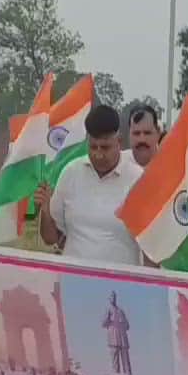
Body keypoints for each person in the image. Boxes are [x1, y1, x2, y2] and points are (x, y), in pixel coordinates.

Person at [36, 104, 143, 265]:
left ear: (119, 142)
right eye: (93, 147)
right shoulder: (71, 173)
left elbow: (152, 246)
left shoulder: (138, 180)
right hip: (73, 280)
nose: (98, 155)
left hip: (120, 286)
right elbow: (50, 238)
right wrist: (46, 211)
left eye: (105, 148)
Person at [102, 291, 133, 375]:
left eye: (114, 296)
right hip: (113, 337)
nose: (113, 298)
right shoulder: (108, 310)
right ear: (109, 299)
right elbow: (103, 323)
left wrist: (121, 325)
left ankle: (128, 374)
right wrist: (108, 320)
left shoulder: (121, 311)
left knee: (125, 359)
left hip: (122, 338)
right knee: (115, 360)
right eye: (111, 296)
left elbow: (127, 325)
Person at [123, 103, 161, 169]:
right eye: (136, 133)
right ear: (129, 135)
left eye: (147, 133)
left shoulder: (172, 163)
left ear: (158, 133)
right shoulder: (117, 164)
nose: (142, 139)